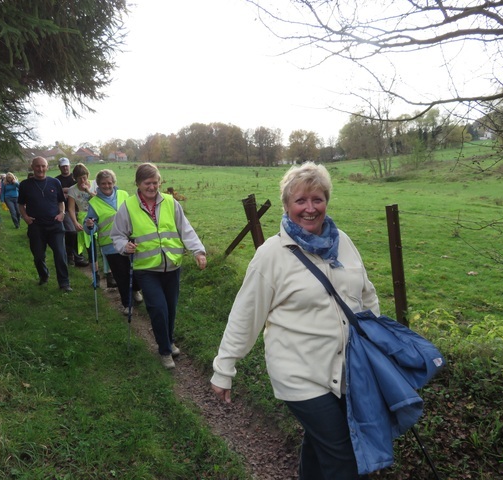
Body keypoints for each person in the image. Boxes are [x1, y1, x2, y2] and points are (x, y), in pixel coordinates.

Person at [210, 162, 379, 479]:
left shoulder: (343, 241)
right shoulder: (272, 255)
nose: (310, 208)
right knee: (344, 458)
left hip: (345, 371)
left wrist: (376, 342)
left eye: (318, 199)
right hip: (299, 374)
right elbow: (246, 315)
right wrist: (224, 367)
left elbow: (366, 295)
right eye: (301, 200)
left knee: (321, 447)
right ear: (287, 205)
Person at [110, 163, 207, 370]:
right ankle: (164, 351)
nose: (152, 187)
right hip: (146, 269)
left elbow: (186, 230)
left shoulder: (171, 203)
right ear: (138, 184)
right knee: (158, 309)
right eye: (147, 183)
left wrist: (198, 251)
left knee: (170, 309)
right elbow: (117, 235)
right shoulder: (128, 206)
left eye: (155, 183)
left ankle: (169, 341)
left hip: (172, 266)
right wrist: (124, 246)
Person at [84, 169, 143, 311]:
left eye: (109, 183)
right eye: (103, 183)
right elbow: (91, 226)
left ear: (114, 183)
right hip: (110, 245)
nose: (107, 186)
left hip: (129, 241)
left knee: (136, 271)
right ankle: (127, 304)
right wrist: (90, 225)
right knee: (121, 276)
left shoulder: (124, 195)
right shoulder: (94, 203)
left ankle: (135, 289)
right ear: (98, 184)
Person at [18, 156, 72, 293]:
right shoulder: (25, 185)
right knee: (38, 256)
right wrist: (25, 217)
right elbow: (20, 204)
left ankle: (64, 283)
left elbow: (61, 201)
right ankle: (44, 275)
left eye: (43, 166)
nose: (40, 169)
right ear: (32, 167)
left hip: (55, 225)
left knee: (60, 254)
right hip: (36, 226)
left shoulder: (55, 182)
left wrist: (62, 213)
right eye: (37, 166)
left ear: (47, 167)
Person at [56, 157, 89, 268]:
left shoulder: (77, 177)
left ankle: (78, 256)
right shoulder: (57, 180)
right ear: (59, 167)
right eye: (63, 166)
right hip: (66, 209)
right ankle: (71, 255)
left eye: (67, 165)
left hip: (82, 210)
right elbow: (58, 194)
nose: (65, 167)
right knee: (72, 231)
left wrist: (65, 190)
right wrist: (64, 191)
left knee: (80, 234)